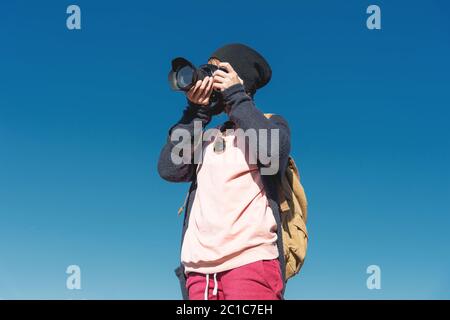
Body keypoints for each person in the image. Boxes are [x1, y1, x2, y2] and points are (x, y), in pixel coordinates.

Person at [158, 44, 291, 300]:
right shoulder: (206, 136)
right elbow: (168, 168)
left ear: (238, 77)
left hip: (250, 263)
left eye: (217, 69)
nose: (208, 76)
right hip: (198, 272)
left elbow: (273, 153)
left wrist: (235, 96)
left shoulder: (271, 122)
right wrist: (196, 113)